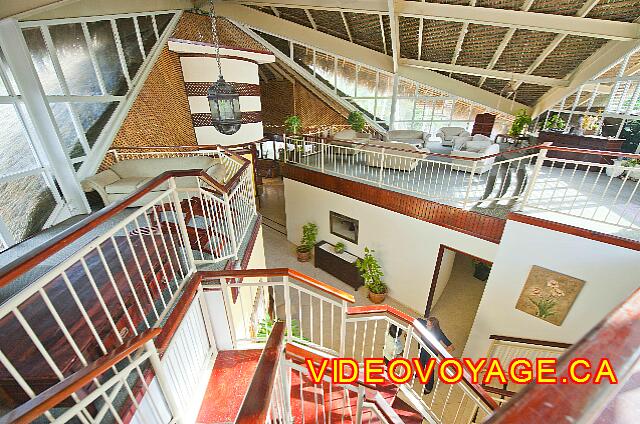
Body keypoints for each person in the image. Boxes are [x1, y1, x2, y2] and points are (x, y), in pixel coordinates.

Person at [417, 316, 455, 395]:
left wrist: (441, 350)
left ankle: (429, 387)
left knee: (429, 370)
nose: (426, 326)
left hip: (431, 353)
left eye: (428, 325)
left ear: (433, 326)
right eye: (426, 324)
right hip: (423, 348)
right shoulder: (425, 324)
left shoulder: (438, 333)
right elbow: (416, 320)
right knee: (420, 362)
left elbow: (451, 347)